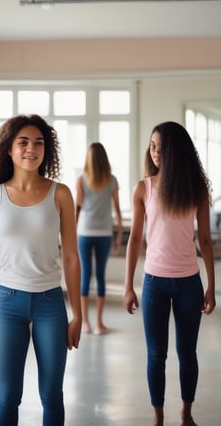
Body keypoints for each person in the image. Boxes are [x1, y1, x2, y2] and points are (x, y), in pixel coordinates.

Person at [0, 114, 82, 426]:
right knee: (8, 396)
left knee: (52, 394)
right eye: (23, 142)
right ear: (9, 149)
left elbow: (71, 256)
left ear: (47, 150)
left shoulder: (61, 194)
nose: (32, 148)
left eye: (39, 142)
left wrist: (78, 314)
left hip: (51, 304)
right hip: (8, 303)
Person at [124, 121, 216, 426]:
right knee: (156, 355)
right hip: (154, 284)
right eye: (152, 146)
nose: (156, 152)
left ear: (177, 151)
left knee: (187, 352)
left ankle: (186, 414)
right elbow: (135, 240)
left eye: (162, 147)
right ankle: (158, 417)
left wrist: (211, 287)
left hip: (189, 282)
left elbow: (204, 240)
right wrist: (128, 286)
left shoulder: (196, 189)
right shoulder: (144, 188)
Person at [76, 142, 122, 335]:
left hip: (84, 232)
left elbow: (76, 209)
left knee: (86, 276)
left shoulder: (81, 180)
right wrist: (119, 233)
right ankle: (98, 324)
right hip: (104, 233)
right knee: (100, 277)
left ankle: (85, 323)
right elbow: (117, 210)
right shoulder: (112, 180)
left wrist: (70, 232)